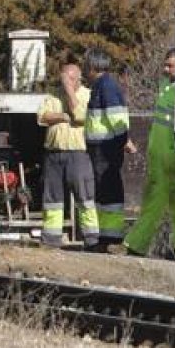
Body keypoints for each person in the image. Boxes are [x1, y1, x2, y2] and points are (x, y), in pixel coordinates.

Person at [122, 49, 175, 257]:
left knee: (161, 199)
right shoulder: (167, 86)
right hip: (158, 154)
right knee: (172, 199)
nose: (165, 69)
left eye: (170, 66)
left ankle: (137, 244)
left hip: (169, 154)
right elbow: (163, 79)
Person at [37, 63, 99, 248]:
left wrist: (70, 94)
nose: (65, 82)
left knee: (85, 197)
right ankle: (51, 238)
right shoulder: (52, 95)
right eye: (63, 78)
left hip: (78, 154)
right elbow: (42, 117)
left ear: (79, 79)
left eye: (70, 79)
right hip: (54, 154)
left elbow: (80, 116)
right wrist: (62, 116)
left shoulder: (88, 95)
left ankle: (91, 239)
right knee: (52, 199)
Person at [84, 49, 135, 248]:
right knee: (103, 193)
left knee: (109, 191)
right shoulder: (100, 86)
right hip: (101, 149)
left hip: (106, 149)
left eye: (86, 64)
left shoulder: (106, 86)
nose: (84, 68)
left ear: (93, 66)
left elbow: (118, 121)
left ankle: (111, 237)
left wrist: (119, 143)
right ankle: (105, 236)